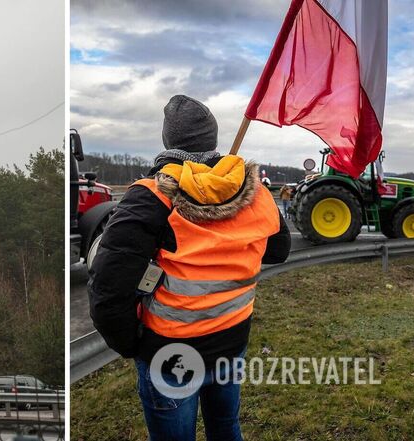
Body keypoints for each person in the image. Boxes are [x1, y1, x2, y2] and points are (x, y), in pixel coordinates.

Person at [88, 95, 290, 441]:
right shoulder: (254, 191)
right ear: (212, 140)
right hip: (232, 340)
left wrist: (133, 345)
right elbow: (277, 250)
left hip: (169, 354)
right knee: (226, 428)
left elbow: (109, 287)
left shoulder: (150, 197)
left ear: (169, 142)